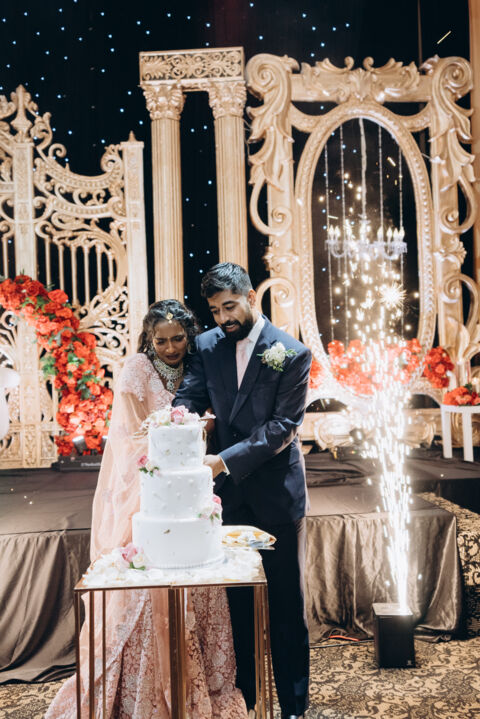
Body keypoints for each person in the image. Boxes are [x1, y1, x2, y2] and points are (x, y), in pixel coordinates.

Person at [46, 299, 247, 719]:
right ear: (149, 339)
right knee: (148, 584)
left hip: (191, 495)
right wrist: (173, 435)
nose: (171, 348)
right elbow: (127, 438)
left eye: (178, 339)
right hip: (147, 491)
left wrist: (203, 431)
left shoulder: (199, 365)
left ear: (189, 336)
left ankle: (201, 681)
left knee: (196, 567)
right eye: (162, 341)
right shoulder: (137, 369)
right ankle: (141, 691)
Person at [174, 263, 311, 719]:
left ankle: (293, 706)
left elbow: (282, 427)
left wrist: (223, 460)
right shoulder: (206, 345)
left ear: (251, 297)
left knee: (286, 605)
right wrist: (180, 421)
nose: (223, 318)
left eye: (230, 307)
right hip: (228, 498)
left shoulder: (291, 352)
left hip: (277, 496)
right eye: (215, 311)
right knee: (237, 608)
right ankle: (245, 702)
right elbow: (190, 397)